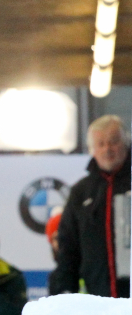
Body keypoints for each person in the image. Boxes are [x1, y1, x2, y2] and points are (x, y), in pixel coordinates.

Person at [49, 114, 131, 298]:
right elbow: (68, 247)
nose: (107, 149)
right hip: (98, 299)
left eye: (113, 142)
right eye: (100, 144)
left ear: (126, 143)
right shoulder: (81, 191)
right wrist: (63, 293)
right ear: (92, 150)